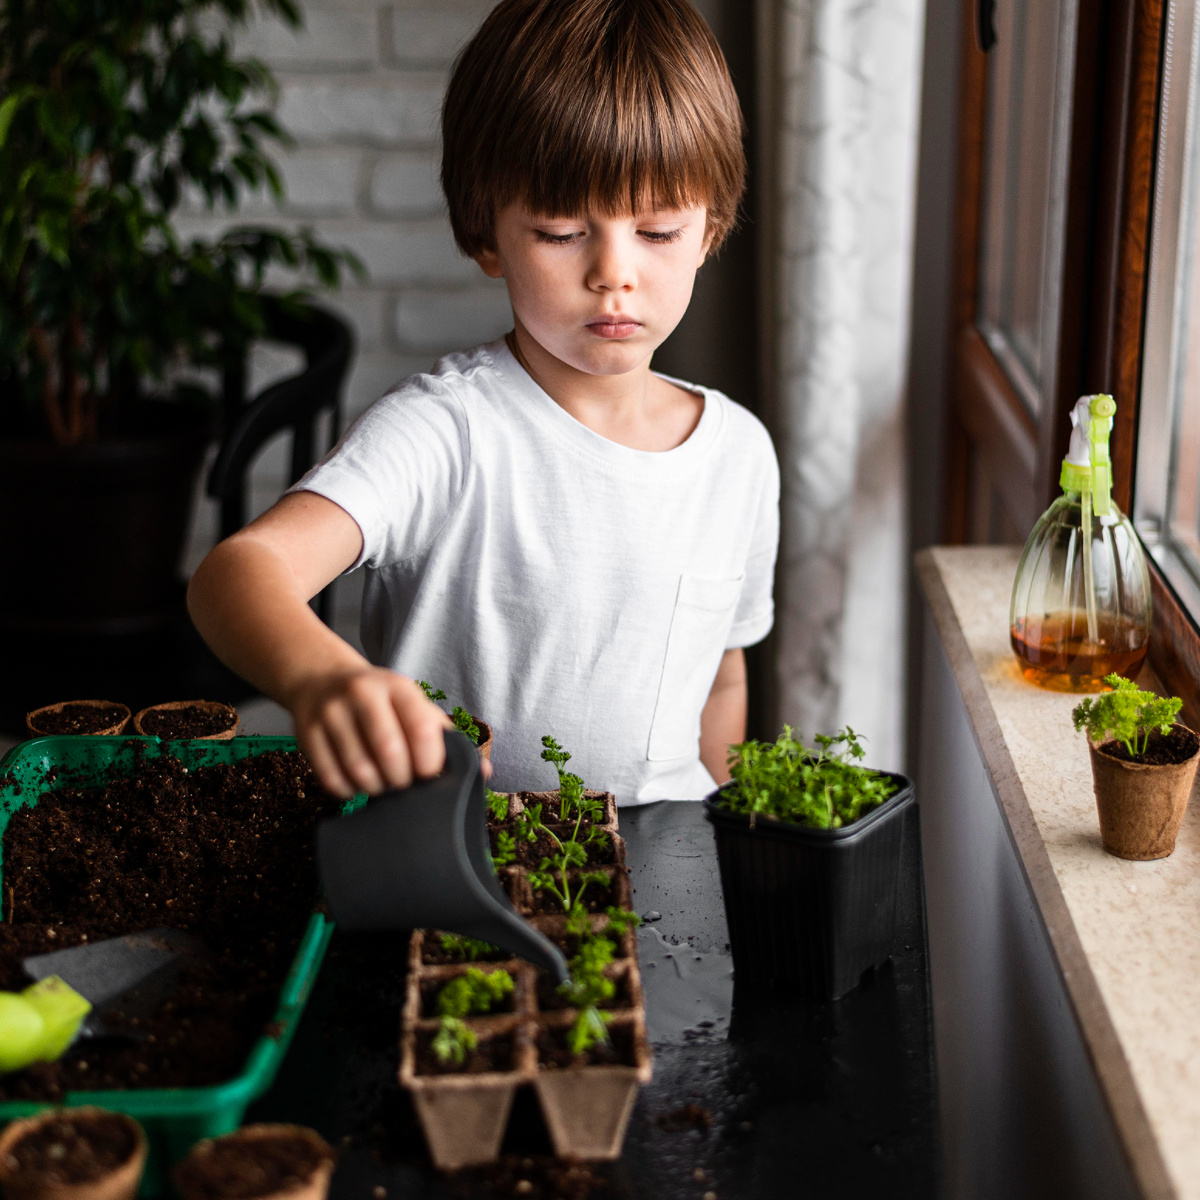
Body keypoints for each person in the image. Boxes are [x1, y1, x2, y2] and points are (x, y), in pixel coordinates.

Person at [187, 0, 780, 806]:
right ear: (485, 236)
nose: (614, 272)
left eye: (658, 231)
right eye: (562, 232)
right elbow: (237, 573)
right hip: (458, 868)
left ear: (710, 229)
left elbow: (721, 679)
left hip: (666, 887)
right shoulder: (445, 432)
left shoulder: (740, 455)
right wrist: (324, 679)